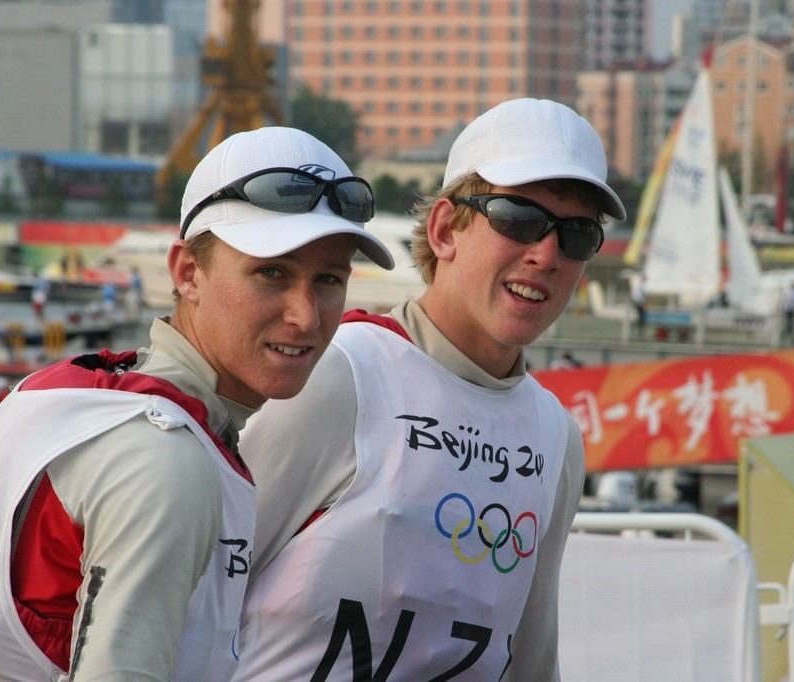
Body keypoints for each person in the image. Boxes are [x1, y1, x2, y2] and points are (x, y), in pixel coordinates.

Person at [0, 126, 393, 681]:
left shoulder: (54, 392)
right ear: (187, 272)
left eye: (328, 279)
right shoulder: (165, 459)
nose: (307, 315)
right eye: (271, 273)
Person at [234, 98, 626, 681]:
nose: (546, 254)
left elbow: (531, 659)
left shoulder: (555, 436)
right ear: (445, 229)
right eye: (518, 218)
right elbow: (197, 597)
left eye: (576, 234)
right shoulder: (340, 376)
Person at [782, 281, 794, 345]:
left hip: (793, 311)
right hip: (788, 310)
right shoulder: (788, 292)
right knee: (790, 324)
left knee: (792, 324)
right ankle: (789, 336)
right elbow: (786, 302)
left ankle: (786, 334)